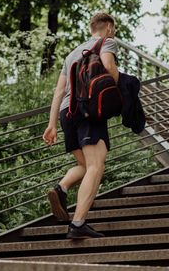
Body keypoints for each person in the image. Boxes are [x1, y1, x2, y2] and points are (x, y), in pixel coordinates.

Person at [42, 12, 119, 239]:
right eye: (112, 29)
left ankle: (62, 188)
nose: (113, 32)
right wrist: (117, 89)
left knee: (86, 165)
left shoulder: (70, 55)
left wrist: (52, 124)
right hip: (88, 110)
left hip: (68, 112)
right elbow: (108, 65)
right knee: (97, 165)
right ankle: (78, 223)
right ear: (108, 27)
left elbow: (59, 91)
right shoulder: (107, 42)